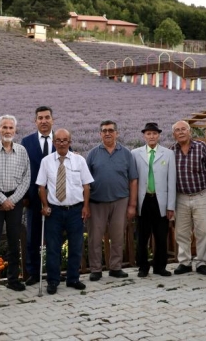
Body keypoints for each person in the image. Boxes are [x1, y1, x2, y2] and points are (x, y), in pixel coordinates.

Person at [36, 128, 93, 294]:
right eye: (58, 140)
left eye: (65, 140)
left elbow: (86, 186)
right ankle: (53, 281)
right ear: (54, 143)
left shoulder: (79, 161)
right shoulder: (46, 161)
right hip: (54, 211)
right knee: (53, 247)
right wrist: (45, 205)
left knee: (76, 246)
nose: (61, 143)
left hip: (75, 210)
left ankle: (73, 278)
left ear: (70, 142)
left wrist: (86, 206)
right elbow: (41, 186)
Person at [85, 120, 137, 281]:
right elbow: (85, 181)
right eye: (104, 131)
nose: (107, 133)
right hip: (97, 202)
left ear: (117, 133)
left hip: (120, 201)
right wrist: (85, 204)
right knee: (95, 237)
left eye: (111, 130)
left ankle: (115, 267)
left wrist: (132, 205)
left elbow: (133, 180)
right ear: (100, 134)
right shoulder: (93, 153)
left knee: (117, 236)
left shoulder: (126, 153)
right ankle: (95, 269)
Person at [0, 115, 30, 294]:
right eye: (4, 127)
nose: (8, 131)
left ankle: (13, 279)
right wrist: (2, 199)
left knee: (13, 241)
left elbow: (27, 178)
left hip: (15, 202)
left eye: (11, 128)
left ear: (15, 130)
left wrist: (13, 200)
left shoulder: (22, 151)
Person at [170, 120, 206, 275]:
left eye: (184, 129)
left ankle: (202, 262)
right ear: (173, 134)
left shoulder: (201, 147)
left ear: (190, 131)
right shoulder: (171, 152)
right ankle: (184, 262)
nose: (181, 132)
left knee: (202, 230)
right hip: (181, 197)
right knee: (182, 232)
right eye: (178, 130)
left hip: (201, 195)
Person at [132, 123, 176, 278]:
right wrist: (133, 204)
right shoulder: (135, 153)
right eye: (149, 134)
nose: (151, 136)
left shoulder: (168, 154)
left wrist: (171, 206)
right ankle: (143, 267)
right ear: (144, 136)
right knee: (142, 237)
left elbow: (171, 181)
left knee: (161, 236)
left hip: (160, 200)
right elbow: (133, 180)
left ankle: (160, 266)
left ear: (159, 136)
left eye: (154, 134)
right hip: (143, 200)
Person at [20, 106, 55, 285]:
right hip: (33, 198)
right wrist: (25, 195)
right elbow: (23, 169)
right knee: (33, 237)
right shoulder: (26, 142)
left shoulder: (61, 140)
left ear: (52, 120)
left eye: (47, 117)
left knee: (54, 237)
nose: (44, 121)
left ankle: (54, 271)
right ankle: (33, 272)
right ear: (35, 121)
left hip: (57, 198)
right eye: (40, 118)